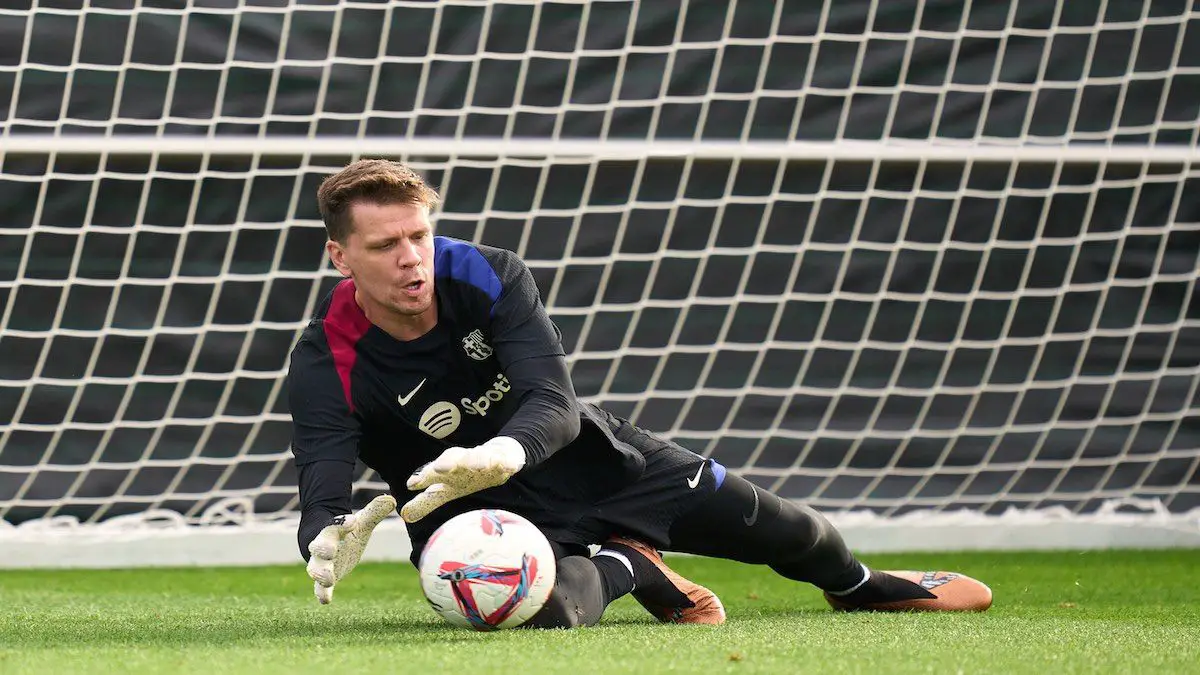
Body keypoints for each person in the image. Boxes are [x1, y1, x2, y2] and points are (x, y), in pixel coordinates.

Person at [288, 159, 992, 628]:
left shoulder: (487, 273)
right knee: (545, 615)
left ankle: (861, 584)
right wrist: (324, 530)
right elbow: (322, 469)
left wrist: (503, 450)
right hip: (476, 519)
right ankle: (631, 563)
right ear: (341, 256)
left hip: (592, 460)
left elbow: (554, 403)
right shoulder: (328, 357)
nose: (412, 257)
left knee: (799, 534)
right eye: (385, 246)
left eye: (419, 234)